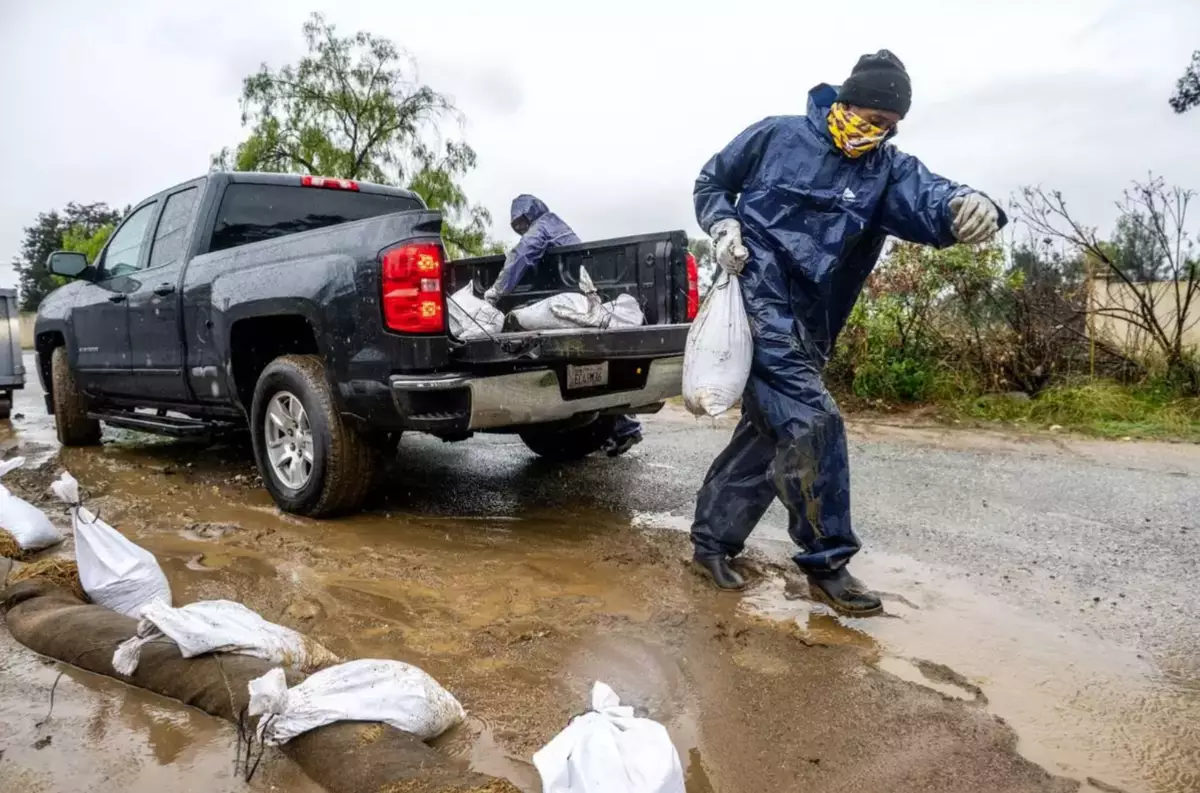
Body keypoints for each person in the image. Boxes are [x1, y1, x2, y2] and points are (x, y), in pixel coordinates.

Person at [690, 50, 1005, 614]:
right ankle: (827, 561)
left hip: (813, 323)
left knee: (769, 431)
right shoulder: (776, 136)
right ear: (848, 101)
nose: (879, 133)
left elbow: (931, 198)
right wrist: (723, 223)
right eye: (875, 119)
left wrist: (971, 205)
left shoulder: (885, 170)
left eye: (892, 126)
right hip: (756, 302)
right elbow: (713, 181)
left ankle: (711, 542)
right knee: (813, 421)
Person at [486, 194, 644, 456]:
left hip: (574, 302)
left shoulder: (543, 226)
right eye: (518, 226)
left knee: (588, 374)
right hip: (579, 298)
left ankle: (626, 428)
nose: (522, 228)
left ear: (531, 213)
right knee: (596, 370)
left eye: (523, 221)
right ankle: (624, 429)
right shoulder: (555, 226)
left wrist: (496, 291)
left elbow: (521, 256)